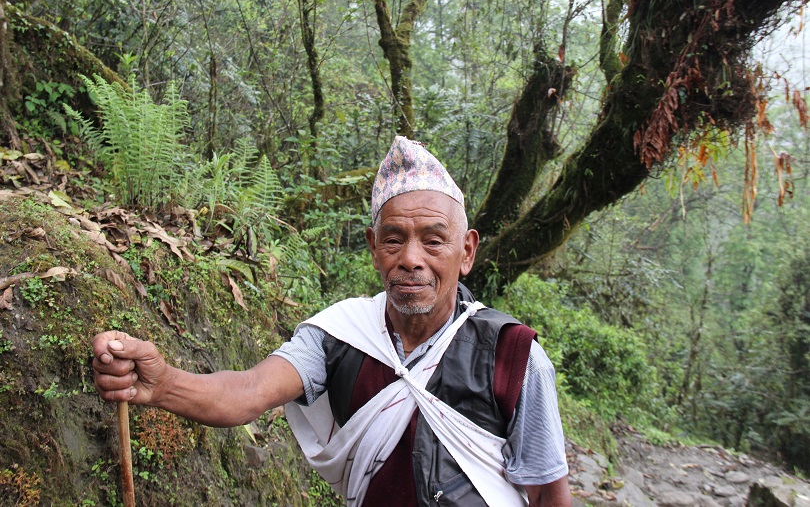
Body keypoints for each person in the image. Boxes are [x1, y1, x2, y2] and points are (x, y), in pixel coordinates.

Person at [92, 136, 572, 506]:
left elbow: (548, 493)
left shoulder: (514, 355)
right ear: (372, 247)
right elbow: (246, 393)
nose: (410, 259)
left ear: (466, 251)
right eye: (393, 239)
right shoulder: (339, 337)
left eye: (433, 240)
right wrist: (161, 385)